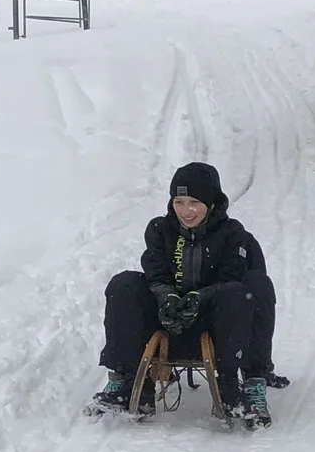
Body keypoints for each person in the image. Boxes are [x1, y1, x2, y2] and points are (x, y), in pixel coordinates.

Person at [91, 160, 285, 424]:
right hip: (166, 317)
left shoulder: (233, 234)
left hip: (217, 324)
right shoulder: (160, 230)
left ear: (212, 203)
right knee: (123, 284)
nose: (186, 211)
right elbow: (155, 273)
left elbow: (231, 280)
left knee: (248, 288)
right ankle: (126, 382)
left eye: (194, 202)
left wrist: (199, 298)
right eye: (179, 202)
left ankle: (237, 387)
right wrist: (166, 296)